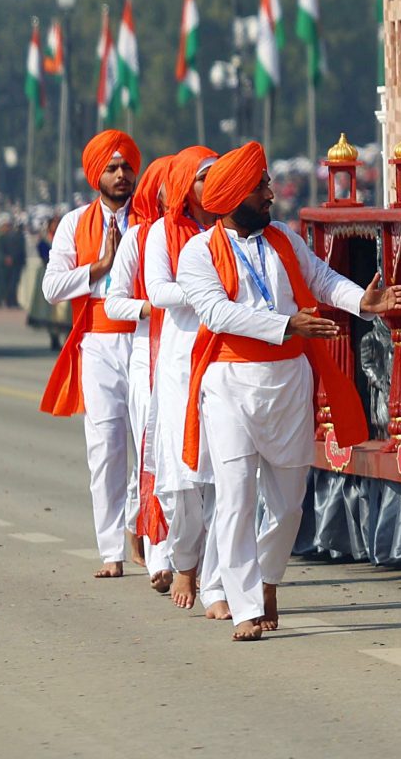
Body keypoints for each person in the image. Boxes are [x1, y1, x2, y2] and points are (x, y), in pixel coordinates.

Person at [178, 141, 401, 641]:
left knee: (287, 506)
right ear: (235, 195)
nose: (269, 194)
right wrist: (286, 324)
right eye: (260, 187)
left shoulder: (283, 238)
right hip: (230, 384)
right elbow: (218, 313)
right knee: (237, 498)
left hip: (288, 383)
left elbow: (320, 278)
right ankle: (243, 609)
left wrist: (362, 302)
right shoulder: (197, 254)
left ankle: (267, 578)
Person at [38, 129, 145, 577]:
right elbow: (50, 288)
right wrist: (98, 267)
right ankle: (110, 551)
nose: (121, 175)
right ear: (95, 175)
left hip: (143, 337)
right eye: (112, 168)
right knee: (105, 446)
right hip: (97, 342)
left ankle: (142, 530)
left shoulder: (150, 220)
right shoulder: (74, 224)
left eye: (126, 168)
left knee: (148, 441)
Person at [141, 147, 226, 617]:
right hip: (178, 362)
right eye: (202, 178)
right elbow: (158, 291)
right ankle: (185, 560)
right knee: (182, 477)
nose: (209, 186)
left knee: (221, 474)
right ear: (182, 186)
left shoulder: (227, 229)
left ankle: (213, 582)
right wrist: (207, 291)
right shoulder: (161, 233)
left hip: (222, 357)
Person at [100, 155, 173, 592]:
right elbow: (114, 302)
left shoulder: (205, 236)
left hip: (194, 359)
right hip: (147, 357)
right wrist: (151, 307)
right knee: (153, 453)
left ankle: (175, 547)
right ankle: (160, 554)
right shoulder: (138, 239)